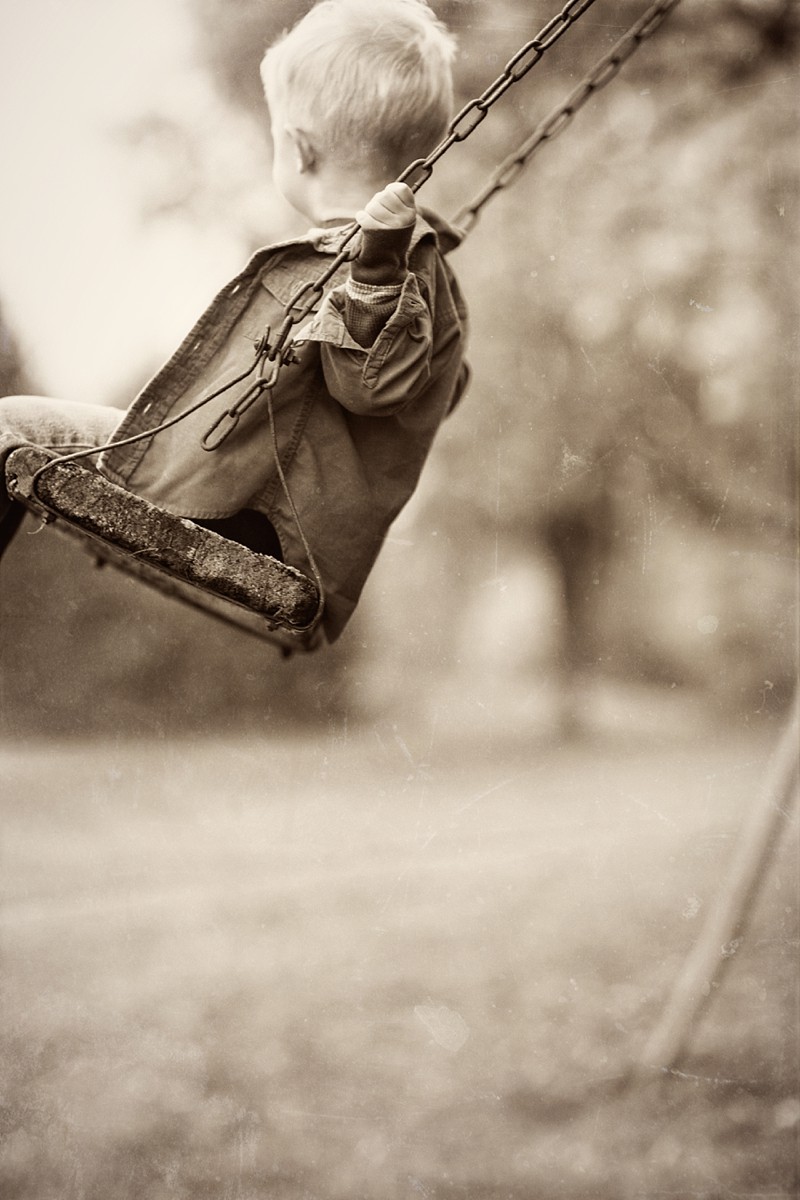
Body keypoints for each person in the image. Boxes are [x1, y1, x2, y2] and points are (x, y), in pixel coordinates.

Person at [0, 0, 469, 642]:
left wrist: (377, 279)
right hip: (247, 497)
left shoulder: (386, 264)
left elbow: (375, 384)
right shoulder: (397, 261)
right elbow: (424, 385)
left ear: (297, 149)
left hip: (251, 512)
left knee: (11, 427)